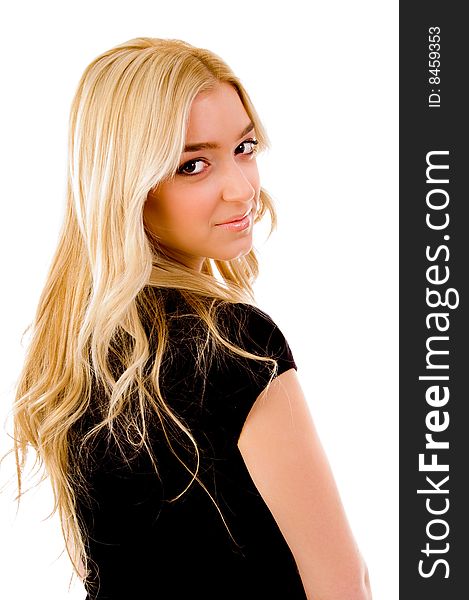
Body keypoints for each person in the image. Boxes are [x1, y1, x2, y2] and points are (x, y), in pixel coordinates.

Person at [12, 37, 372, 599]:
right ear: (126, 184)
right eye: (193, 164)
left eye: (246, 147)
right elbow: (342, 584)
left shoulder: (75, 357)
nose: (241, 188)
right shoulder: (235, 347)